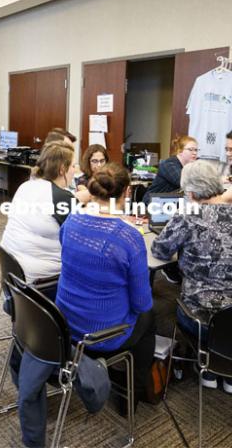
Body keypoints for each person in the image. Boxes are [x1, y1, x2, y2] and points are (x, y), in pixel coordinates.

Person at [55, 163, 155, 405]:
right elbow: (142, 303)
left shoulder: (71, 220)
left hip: (65, 322)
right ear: (127, 192)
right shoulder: (129, 237)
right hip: (103, 334)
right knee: (151, 316)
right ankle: (136, 392)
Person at [151, 160, 232, 393]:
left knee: (194, 314)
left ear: (193, 192)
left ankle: (206, 364)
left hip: (199, 319)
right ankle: (225, 368)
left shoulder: (188, 215)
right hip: (231, 319)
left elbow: (160, 250)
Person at [1, 141, 77, 281]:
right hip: (43, 280)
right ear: (62, 169)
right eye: (73, 165)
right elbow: (83, 239)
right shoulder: (61, 197)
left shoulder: (26, 186)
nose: (75, 170)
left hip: (12, 271)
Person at [143, 135, 198, 204]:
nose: (195, 153)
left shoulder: (187, 167)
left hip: (168, 203)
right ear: (180, 151)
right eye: (191, 149)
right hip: (152, 203)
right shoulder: (169, 164)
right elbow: (183, 182)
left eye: (196, 150)